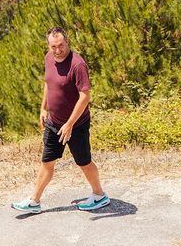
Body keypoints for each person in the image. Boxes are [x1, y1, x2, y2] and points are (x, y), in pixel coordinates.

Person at [12, 27, 109, 214]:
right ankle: (34, 201)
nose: (58, 50)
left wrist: (70, 124)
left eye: (61, 45)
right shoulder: (48, 58)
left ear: (68, 42)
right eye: (53, 46)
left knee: (84, 162)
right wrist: (43, 108)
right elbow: (49, 83)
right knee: (47, 162)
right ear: (49, 45)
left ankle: (99, 196)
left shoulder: (77, 64)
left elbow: (85, 96)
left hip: (76, 125)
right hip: (54, 122)